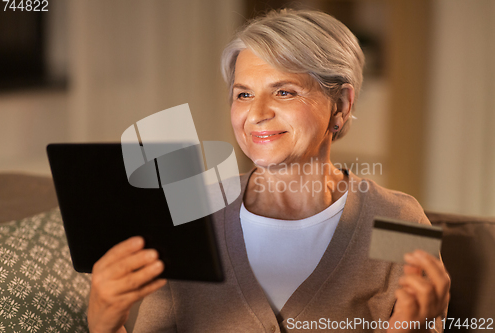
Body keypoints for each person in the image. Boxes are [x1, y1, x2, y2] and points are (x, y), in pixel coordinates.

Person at [87, 9, 450, 333]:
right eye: (243, 94)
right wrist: (105, 324)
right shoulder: (191, 213)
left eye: (285, 92)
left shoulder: (399, 219)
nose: (257, 113)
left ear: (340, 106)